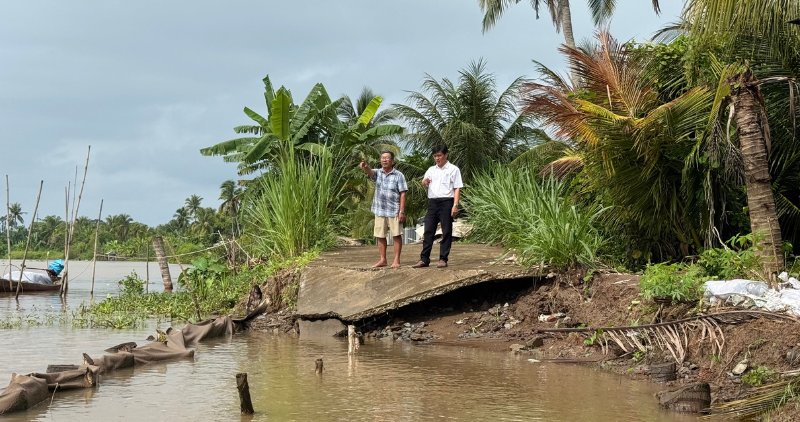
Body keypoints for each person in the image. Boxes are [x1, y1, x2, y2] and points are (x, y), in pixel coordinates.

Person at [413, 145, 463, 268]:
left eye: (439, 155)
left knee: (446, 231)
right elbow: (424, 181)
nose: (437, 158)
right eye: (435, 156)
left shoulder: (453, 169)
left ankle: (443, 259)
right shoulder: (431, 169)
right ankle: (424, 259)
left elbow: (457, 188)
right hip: (432, 202)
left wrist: (455, 205)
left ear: (446, 155)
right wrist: (424, 182)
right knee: (428, 230)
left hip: (447, 202)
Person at [360, 150, 408, 269]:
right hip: (380, 210)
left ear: (392, 161)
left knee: (396, 235)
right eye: (382, 158)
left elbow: (403, 193)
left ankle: (396, 260)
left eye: (387, 158)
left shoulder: (399, 175)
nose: (384, 160)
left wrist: (401, 211)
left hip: (394, 211)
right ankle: (383, 259)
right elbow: (370, 172)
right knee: (380, 235)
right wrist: (365, 167)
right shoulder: (378, 173)